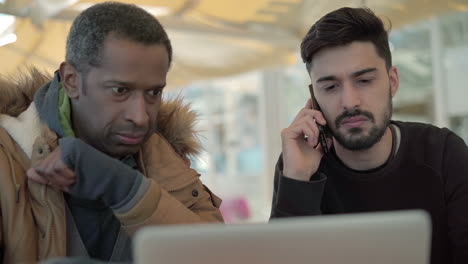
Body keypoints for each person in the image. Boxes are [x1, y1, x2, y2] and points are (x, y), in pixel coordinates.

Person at [0, 2, 223, 263]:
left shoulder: (166, 158)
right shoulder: (7, 159)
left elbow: (220, 256)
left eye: (153, 93)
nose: (140, 117)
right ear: (72, 81)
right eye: (120, 91)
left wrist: (126, 189)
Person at [270, 7, 468, 264]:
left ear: (392, 81)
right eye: (330, 87)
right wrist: (297, 180)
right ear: (313, 99)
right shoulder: (298, 164)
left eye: (364, 80)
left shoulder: (443, 153)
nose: (350, 101)